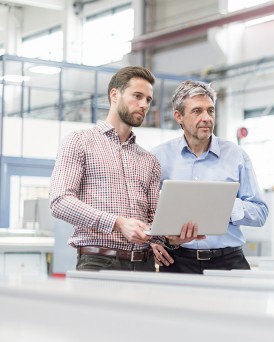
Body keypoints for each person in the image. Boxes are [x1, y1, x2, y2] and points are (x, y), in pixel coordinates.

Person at [49, 66, 202, 271]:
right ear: (115, 95)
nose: (143, 105)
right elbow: (60, 201)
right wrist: (117, 223)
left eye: (148, 100)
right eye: (137, 96)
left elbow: (153, 222)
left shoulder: (149, 160)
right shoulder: (79, 142)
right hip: (98, 262)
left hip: (143, 265)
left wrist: (172, 238)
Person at [151, 80, 268, 273]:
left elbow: (260, 212)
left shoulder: (236, 155)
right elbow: (144, 210)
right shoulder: (159, 157)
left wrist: (224, 206)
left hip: (229, 262)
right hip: (178, 262)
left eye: (210, 110)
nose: (206, 117)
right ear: (178, 116)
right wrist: (153, 242)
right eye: (197, 111)